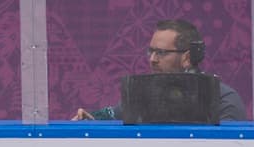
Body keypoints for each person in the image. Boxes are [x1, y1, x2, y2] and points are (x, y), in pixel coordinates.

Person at [72, 19, 246, 122]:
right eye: (151, 51)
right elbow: (112, 115)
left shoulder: (223, 100)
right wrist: (89, 118)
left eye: (161, 53)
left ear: (187, 57)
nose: (152, 59)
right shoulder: (144, 95)